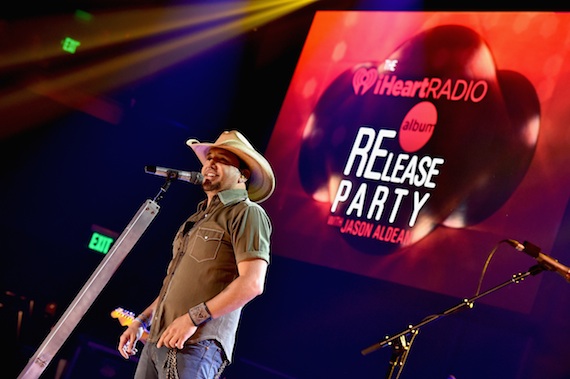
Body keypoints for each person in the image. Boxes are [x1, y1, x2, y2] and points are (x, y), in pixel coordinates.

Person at [117, 130, 275, 379]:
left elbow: (252, 284)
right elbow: (176, 285)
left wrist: (192, 319)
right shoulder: (197, 218)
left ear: (242, 176)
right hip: (158, 340)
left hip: (196, 344)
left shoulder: (247, 213)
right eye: (209, 158)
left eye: (222, 160)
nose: (210, 164)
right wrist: (143, 320)